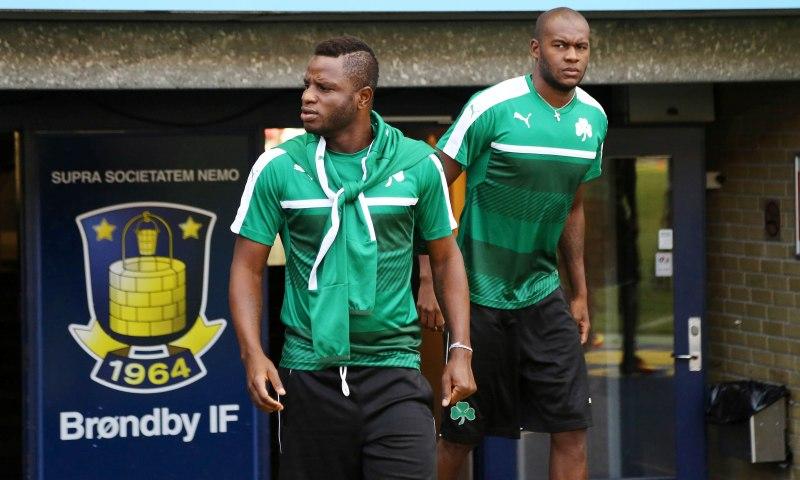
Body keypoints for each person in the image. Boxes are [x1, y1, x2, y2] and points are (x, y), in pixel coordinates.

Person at [229, 36, 475, 480]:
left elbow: (445, 260)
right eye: (307, 85)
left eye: (324, 88)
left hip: (395, 371)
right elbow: (247, 267)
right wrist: (252, 353)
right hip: (309, 374)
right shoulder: (278, 166)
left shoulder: (418, 164)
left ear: (362, 98)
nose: (308, 96)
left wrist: (460, 350)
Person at [417, 8, 607, 480]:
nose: (572, 56)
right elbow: (430, 188)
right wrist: (427, 277)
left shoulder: (594, 118)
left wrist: (579, 292)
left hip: (542, 295)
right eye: (561, 46)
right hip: (475, 297)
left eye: (581, 47)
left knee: (572, 428)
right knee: (460, 436)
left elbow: (573, 207)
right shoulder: (492, 106)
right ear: (536, 49)